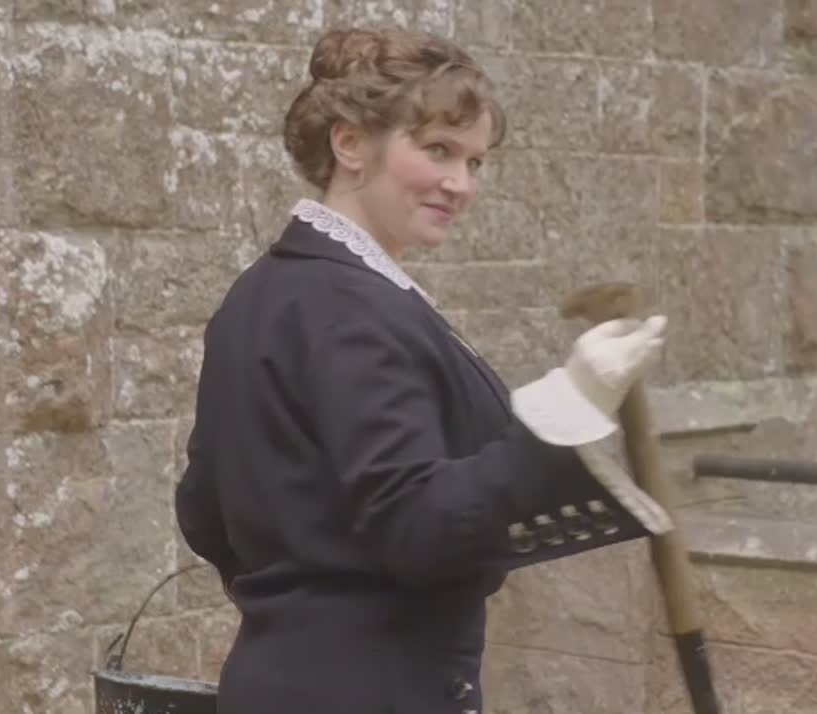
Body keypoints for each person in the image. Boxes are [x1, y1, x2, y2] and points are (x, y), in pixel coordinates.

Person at [175, 25, 672, 714]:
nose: (460, 184)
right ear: (350, 143)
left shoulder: (262, 292)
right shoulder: (351, 306)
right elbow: (420, 528)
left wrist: (299, 608)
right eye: (438, 150)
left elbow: (203, 510)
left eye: (475, 162)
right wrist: (570, 402)